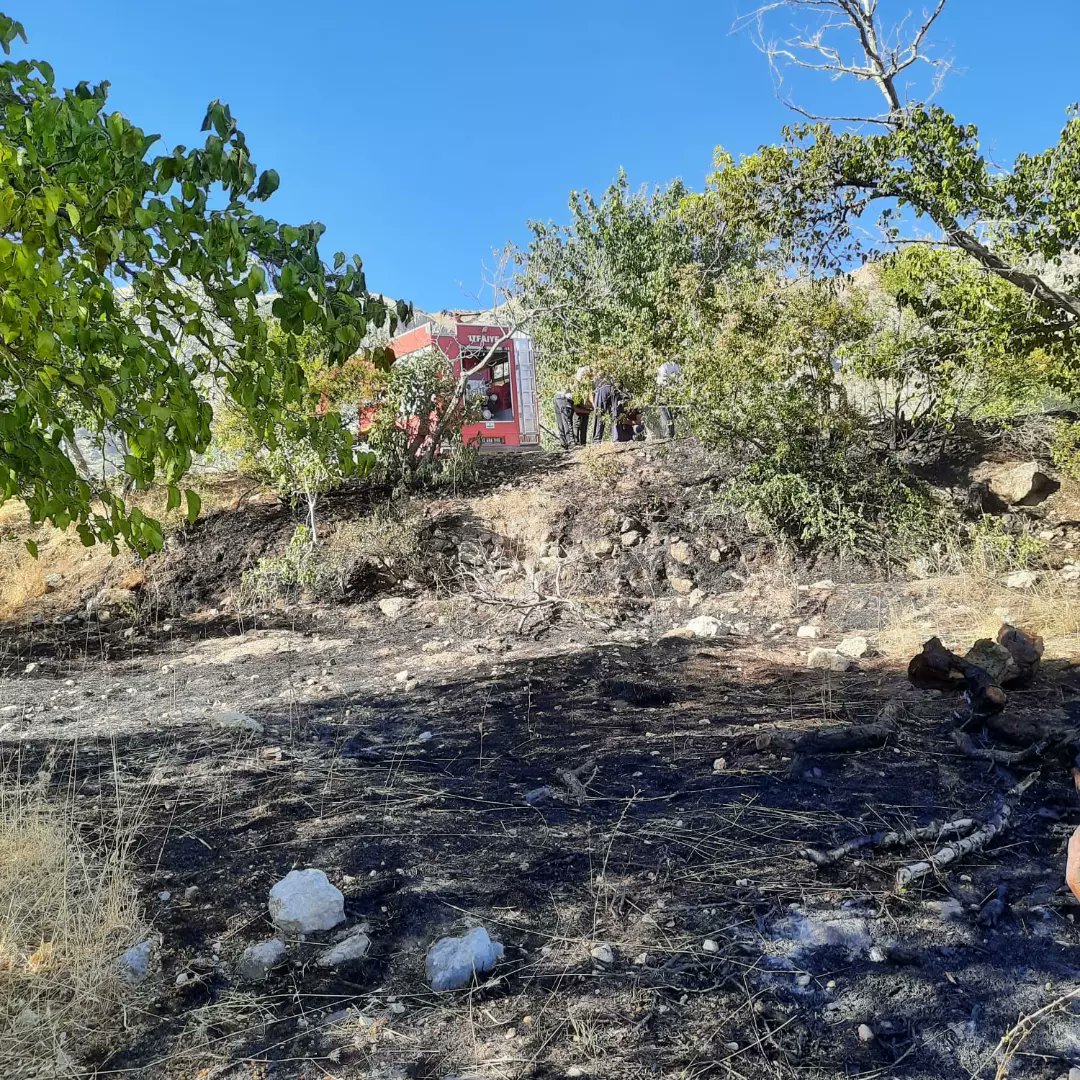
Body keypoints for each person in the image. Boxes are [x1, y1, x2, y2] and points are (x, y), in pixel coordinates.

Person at [656, 357, 683, 439]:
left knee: (665, 413)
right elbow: (679, 378)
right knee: (668, 413)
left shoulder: (664, 366)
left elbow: (661, 381)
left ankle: (669, 433)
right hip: (671, 391)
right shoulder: (675, 366)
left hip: (664, 391)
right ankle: (670, 433)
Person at [592, 372, 619, 443]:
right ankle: (615, 438)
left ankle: (597, 440)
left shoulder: (595, 367)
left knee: (599, 415)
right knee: (614, 414)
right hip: (613, 387)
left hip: (601, 388)